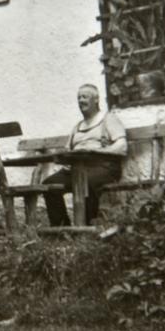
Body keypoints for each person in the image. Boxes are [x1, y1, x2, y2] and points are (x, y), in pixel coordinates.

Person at [43, 83, 127, 226]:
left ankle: (87, 227)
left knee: (86, 183)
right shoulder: (77, 127)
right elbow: (66, 150)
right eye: (79, 98)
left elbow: (122, 147)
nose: (81, 100)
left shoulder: (108, 119)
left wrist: (97, 151)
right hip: (77, 168)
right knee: (49, 185)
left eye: (85, 97)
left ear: (96, 100)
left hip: (103, 167)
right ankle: (62, 228)